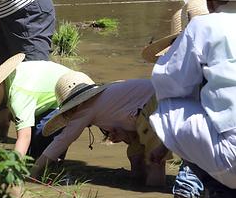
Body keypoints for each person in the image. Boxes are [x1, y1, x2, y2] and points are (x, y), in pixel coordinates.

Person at [149, 0, 236, 198]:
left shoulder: (205, 26)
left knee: (168, 107)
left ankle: (200, 189)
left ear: (209, 1)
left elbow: (168, 82)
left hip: (231, 156)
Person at [31, 74, 168, 187]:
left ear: (72, 107)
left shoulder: (85, 109)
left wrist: (34, 172)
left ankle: (154, 194)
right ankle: (141, 187)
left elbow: (61, 141)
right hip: (153, 101)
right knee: (135, 153)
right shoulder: (105, 99)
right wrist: (124, 135)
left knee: (155, 161)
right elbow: (132, 122)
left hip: (155, 104)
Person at [0, 54, 76, 157]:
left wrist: (14, 171)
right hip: (50, 100)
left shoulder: (18, 96)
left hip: (71, 97)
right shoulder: (10, 81)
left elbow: (24, 137)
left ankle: (54, 170)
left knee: (41, 144)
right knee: (31, 153)